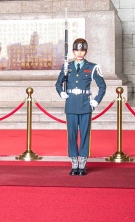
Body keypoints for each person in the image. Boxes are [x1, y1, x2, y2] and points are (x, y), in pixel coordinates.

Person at [55, 38, 106, 176]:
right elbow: (58, 84)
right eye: (77, 50)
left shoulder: (92, 67)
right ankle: (74, 162)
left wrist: (95, 101)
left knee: (84, 135)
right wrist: (61, 93)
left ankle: (83, 162)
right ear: (73, 51)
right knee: (71, 135)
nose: (79, 53)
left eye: (82, 50)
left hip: (85, 105)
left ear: (86, 52)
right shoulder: (67, 67)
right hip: (71, 104)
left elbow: (102, 86)